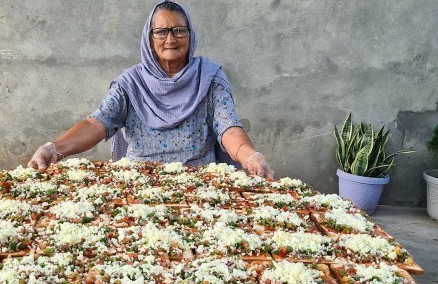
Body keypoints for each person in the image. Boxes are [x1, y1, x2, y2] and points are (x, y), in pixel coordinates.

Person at [28, 0, 274, 179]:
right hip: (139, 185)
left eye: (179, 30)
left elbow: (229, 127)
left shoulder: (210, 78)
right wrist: (54, 149)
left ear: (191, 36)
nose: (171, 39)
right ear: (149, 38)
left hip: (201, 182)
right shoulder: (131, 83)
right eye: (161, 32)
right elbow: (97, 123)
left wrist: (250, 156)